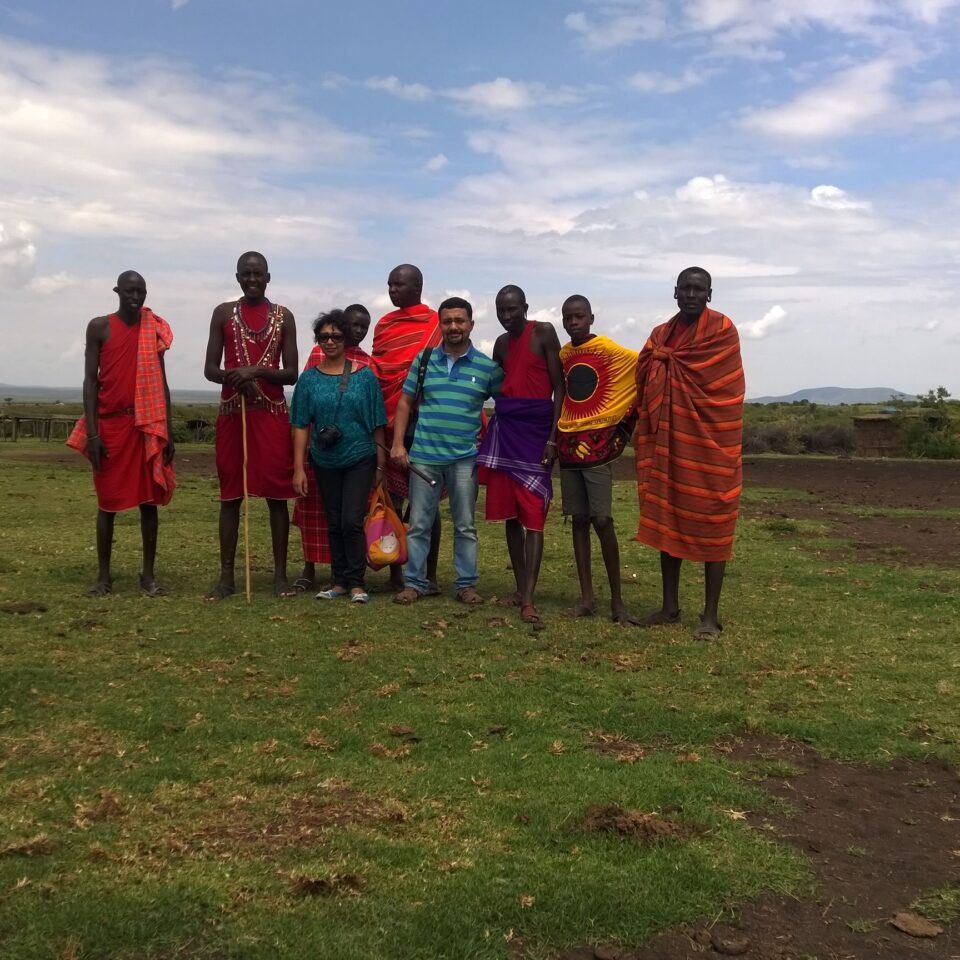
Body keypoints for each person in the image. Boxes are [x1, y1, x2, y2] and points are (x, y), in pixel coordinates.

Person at [634, 267, 744, 640]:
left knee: (714, 520)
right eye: (686, 288)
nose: (692, 294)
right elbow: (644, 371)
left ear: (710, 294)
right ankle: (669, 607)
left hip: (710, 445)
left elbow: (725, 391)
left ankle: (710, 615)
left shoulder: (721, 331)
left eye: (700, 289)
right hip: (668, 441)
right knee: (669, 517)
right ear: (675, 292)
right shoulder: (661, 335)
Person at [67, 271, 175, 596]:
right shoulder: (99, 327)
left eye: (140, 291)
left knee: (149, 500)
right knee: (108, 502)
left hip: (145, 424)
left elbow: (162, 381)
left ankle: (148, 576)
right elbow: (90, 381)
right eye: (129, 291)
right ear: (117, 291)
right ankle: (103, 577)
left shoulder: (152, 328)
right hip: (109, 426)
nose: (135, 297)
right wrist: (93, 433)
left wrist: (167, 428)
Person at [390, 297, 504, 604]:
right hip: (424, 456)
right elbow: (404, 402)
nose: (453, 326)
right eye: (447, 321)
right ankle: (415, 583)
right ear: (440, 325)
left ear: (471, 324)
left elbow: (505, 407)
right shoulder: (424, 360)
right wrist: (398, 443)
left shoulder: (487, 368)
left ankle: (465, 585)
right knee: (418, 525)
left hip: (465, 460)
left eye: (459, 320)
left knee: (465, 525)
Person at [203, 251, 298, 600]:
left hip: (271, 412)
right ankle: (226, 577)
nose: (252, 279)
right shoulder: (223, 313)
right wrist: (236, 378)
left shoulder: (283, 317)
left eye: (258, 274)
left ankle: (280, 577)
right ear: (238, 277)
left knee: (276, 495)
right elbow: (210, 369)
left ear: (268, 277)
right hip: (233, 411)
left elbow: (292, 372)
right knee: (230, 495)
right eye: (247, 274)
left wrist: (254, 372)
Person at [477, 285, 564, 627]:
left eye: (512, 309)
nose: (507, 315)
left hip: (536, 431)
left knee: (533, 515)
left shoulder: (543, 332)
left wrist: (554, 438)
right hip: (507, 428)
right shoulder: (500, 344)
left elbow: (560, 387)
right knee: (511, 513)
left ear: (525, 307)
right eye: (501, 310)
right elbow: (496, 383)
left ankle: (529, 598)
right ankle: (519, 588)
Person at [291, 311, 387, 603]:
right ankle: (339, 581)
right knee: (332, 520)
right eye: (324, 337)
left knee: (351, 520)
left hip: (360, 457)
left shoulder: (365, 376)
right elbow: (299, 425)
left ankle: (357, 582)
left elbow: (377, 422)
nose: (330, 342)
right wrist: (298, 468)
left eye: (336, 336)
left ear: (346, 339)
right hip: (324, 460)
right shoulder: (308, 380)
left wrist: (381, 465)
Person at [557, 295, 639, 625]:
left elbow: (641, 364)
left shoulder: (608, 349)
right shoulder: (564, 355)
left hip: (599, 445)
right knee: (578, 519)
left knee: (602, 520)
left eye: (579, 317)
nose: (574, 322)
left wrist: (619, 417)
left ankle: (617, 602)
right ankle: (587, 598)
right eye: (568, 318)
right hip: (569, 445)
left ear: (591, 318)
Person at [371, 264, 443, 591]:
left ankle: (429, 573)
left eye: (399, 284)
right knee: (393, 501)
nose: (392, 290)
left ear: (418, 286)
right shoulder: (384, 324)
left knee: (426, 503)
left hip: (425, 422)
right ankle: (396, 572)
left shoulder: (434, 323)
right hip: (389, 422)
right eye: (389, 284)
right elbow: (380, 366)